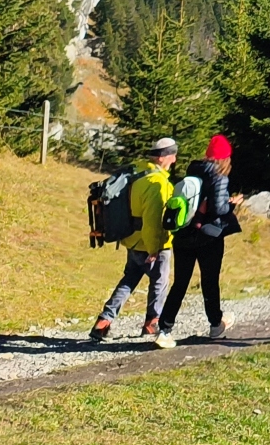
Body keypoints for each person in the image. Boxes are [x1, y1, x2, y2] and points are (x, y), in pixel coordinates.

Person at [89, 137, 177, 344]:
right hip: (151, 243)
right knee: (159, 282)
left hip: (132, 239)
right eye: (173, 156)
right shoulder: (158, 183)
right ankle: (152, 323)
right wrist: (154, 248)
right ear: (164, 158)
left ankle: (103, 321)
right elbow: (153, 221)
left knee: (129, 280)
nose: (174, 161)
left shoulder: (137, 172)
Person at [157, 133, 240, 343]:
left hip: (183, 234)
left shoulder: (192, 170)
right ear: (225, 158)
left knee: (180, 282)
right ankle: (215, 324)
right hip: (208, 236)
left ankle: (164, 329)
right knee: (209, 281)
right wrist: (232, 204)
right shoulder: (219, 176)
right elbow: (218, 208)